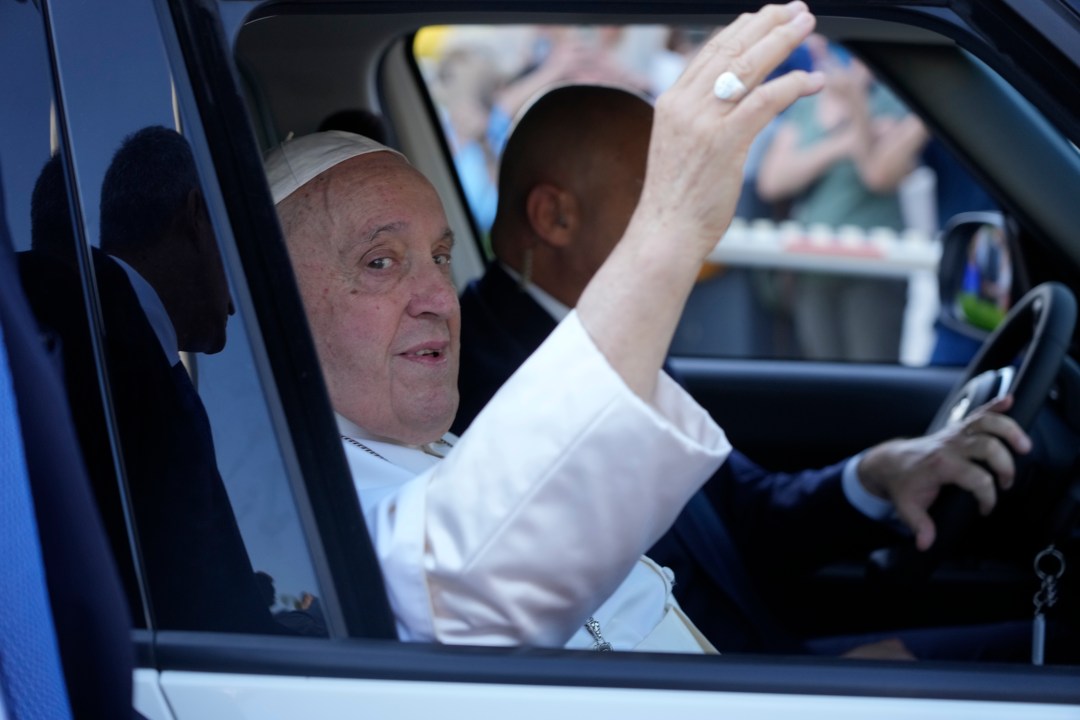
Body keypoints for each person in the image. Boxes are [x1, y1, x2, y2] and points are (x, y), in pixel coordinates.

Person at [265, 3, 833, 652]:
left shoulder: (429, 442)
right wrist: (672, 225)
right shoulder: (295, 495)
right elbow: (455, 598)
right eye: (380, 262)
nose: (437, 298)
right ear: (277, 298)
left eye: (441, 257)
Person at [452, 82, 1041, 659]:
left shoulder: (603, 332)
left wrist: (876, 474)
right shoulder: (489, 390)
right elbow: (605, 635)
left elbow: (744, 514)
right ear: (554, 216)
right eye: (660, 196)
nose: (695, 224)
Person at [19, 127, 284, 635]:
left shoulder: (68, 336)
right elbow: (192, 606)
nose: (233, 301)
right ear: (198, 216)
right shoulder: (118, 371)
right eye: (235, 242)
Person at [756, 42, 929, 362]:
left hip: (874, 264)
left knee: (871, 368)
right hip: (811, 262)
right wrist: (843, 143)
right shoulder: (807, 107)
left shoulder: (894, 102)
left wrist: (857, 103)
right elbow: (773, 182)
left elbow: (876, 175)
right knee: (823, 369)